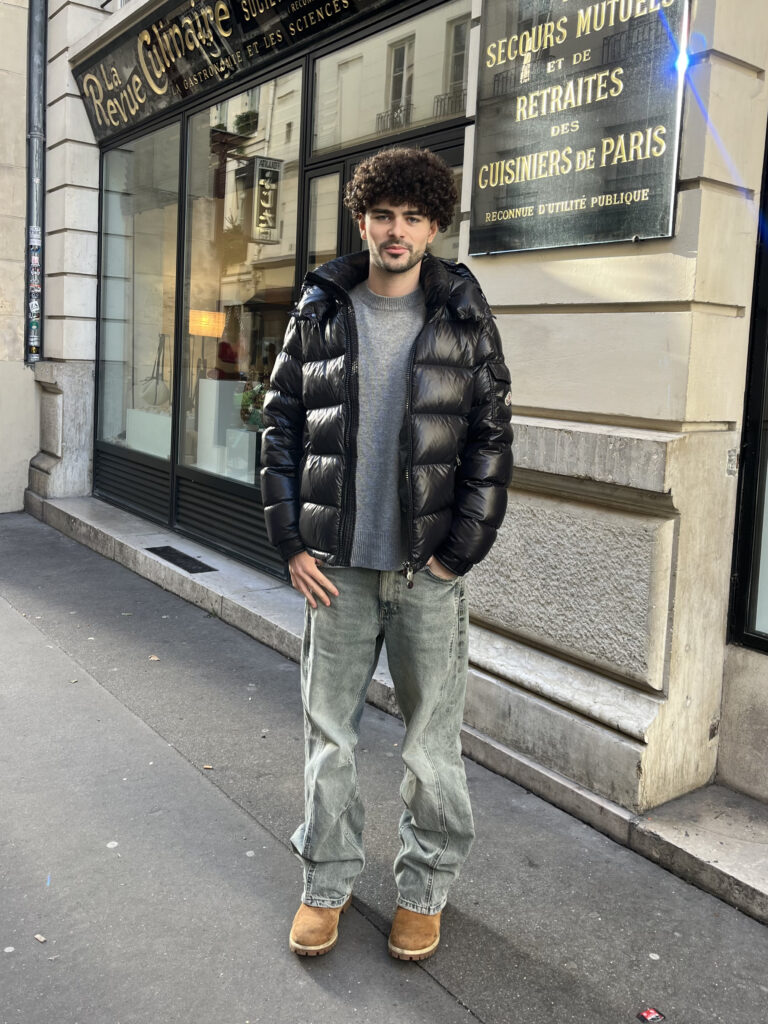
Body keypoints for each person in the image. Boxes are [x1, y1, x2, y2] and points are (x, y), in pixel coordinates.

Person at [260, 146, 513, 961]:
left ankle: (424, 888)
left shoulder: (464, 316)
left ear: (433, 225)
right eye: (383, 215)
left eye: (412, 217)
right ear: (361, 220)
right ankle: (325, 884)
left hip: (424, 575)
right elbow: (281, 426)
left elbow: (490, 439)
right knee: (328, 737)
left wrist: (455, 556)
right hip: (335, 570)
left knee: (429, 748)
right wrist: (291, 540)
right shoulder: (322, 308)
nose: (395, 231)